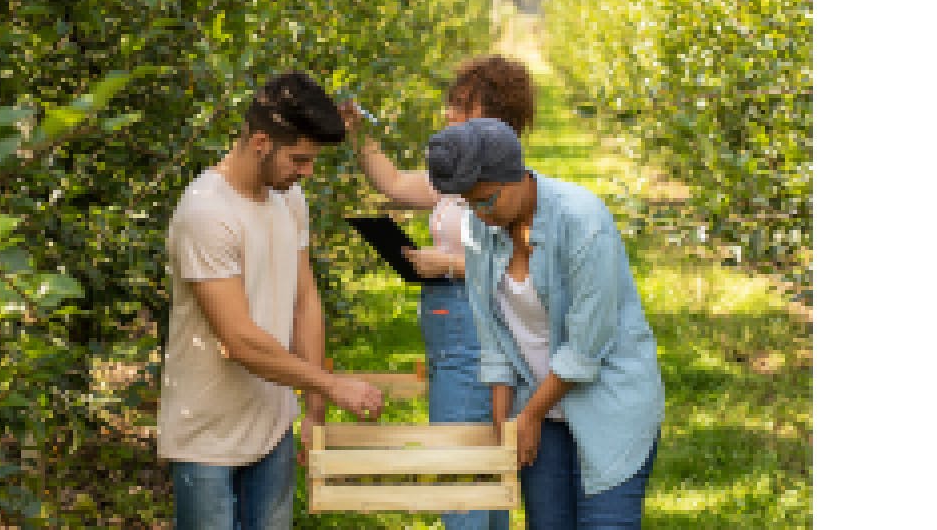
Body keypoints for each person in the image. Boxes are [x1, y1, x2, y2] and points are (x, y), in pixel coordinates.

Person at [158, 71, 385, 530]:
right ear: (260, 141)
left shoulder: (289, 198)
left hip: (274, 428)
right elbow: (239, 341)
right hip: (208, 440)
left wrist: (314, 411)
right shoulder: (206, 212)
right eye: (299, 159)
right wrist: (332, 385)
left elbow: (305, 299)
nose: (307, 172)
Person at [426, 118, 666, 529]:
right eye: (470, 204)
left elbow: (585, 348)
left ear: (517, 175)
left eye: (486, 200)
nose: (481, 215)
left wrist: (530, 416)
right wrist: (506, 426)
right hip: (538, 411)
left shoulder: (582, 220)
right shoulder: (480, 230)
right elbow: (494, 339)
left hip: (609, 407)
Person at [340, 55, 534, 530]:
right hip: (453, 330)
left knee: (462, 463)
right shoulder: (456, 172)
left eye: (461, 106)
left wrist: (446, 264)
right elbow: (393, 183)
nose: (449, 113)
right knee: (480, 461)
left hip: (474, 330)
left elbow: (522, 259)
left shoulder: (504, 181)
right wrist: (356, 133)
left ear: (493, 117)